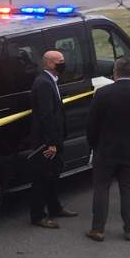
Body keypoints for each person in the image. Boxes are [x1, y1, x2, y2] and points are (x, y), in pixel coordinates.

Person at [86, 56, 130, 241]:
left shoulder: (103, 93)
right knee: (128, 188)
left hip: (106, 148)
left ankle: (98, 229)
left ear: (115, 71)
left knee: (101, 187)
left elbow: (92, 124)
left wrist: (93, 144)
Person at [28, 49, 78, 228]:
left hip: (54, 139)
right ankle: (38, 215)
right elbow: (46, 116)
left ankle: (55, 207)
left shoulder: (51, 81)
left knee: (53, 176)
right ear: (49, 63)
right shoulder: (43, 83)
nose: (63, 64)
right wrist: (51, 143)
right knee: (42, 178)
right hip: (46, 142)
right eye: (60, 61)